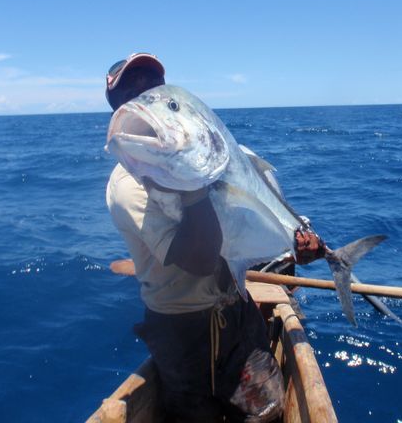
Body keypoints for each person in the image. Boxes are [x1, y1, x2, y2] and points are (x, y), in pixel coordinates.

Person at [104, 53, 325, 422]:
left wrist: (296, 246)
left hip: (237, 308)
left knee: (267, 414)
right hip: (183, 331)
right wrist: (192, 185)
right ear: (116, 108)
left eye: (157, 92)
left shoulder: (224, 158)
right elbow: (201, 259)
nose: (143, 98)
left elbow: (253, 220)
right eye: (131, 93)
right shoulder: (129, 185)